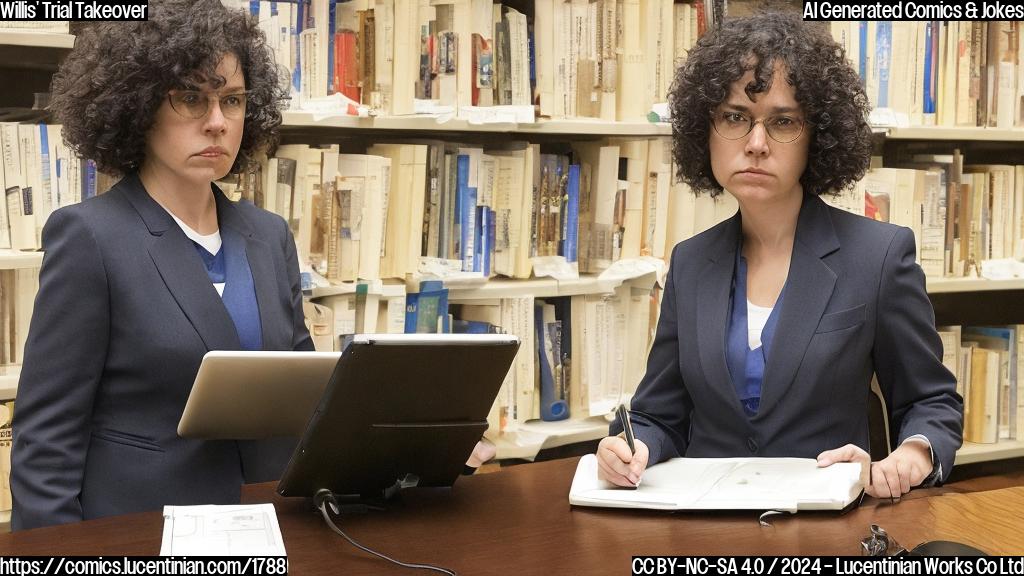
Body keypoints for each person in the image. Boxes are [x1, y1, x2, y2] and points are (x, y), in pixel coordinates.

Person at [597, 12, 963, 501]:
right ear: (704, 131)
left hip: (826, 527)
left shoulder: (878, 257)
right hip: (704, 529)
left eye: (783, 122)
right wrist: (630, 447)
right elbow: (658, 414)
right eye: (734, 117)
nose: (755, 144)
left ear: (818, 137)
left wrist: (909, 457)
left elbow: (931, 402)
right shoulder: (690, 261)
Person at [10, 0, 312, 530]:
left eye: (233, 100)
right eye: (191, 98)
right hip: (142, 532)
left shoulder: (269, 237)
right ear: (139, 105)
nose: (217, 123)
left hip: (272, 526)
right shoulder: (91, 237)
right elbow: (46, 441)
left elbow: (304, 394)